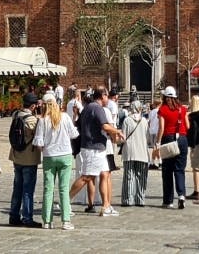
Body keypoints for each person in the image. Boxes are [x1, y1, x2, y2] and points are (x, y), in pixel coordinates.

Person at [74, 87, 124, 215]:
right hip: (93, 148)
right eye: (107, 96)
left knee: (105, 174)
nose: (108, 99)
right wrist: (117, 131)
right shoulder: (97, 108)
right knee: (86, 177)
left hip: (97, 148)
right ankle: (65, 201)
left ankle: (106, 206)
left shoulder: (88, 107)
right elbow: (105, 125)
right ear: (102, 96)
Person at [35, 93, 78, 230]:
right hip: (65, 155)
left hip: (50, 156)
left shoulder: (42, 120)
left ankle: (47, 220)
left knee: (48, 189)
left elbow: (39, 142)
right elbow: (74, 134)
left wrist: (45, 148)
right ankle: (65, 220)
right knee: (64, 189)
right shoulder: (64, 117)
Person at [8, 94, 43, 227]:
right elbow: (39, 135)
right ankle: (27, 218)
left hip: (16, 155)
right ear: (33, 106)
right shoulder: (32, 120)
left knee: (17, 187)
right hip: (29, 158)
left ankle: (14, 215)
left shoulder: (16, 114)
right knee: (28, 189)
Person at [154, 86, 189, 209]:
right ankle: (181, 195)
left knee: (167, 171)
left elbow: (161, 128)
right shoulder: (182, 109)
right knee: (180, 169)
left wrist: (157, 143)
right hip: (182, 139)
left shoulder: (162, 109)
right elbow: (188, 125)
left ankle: (168, 200)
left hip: (168, 138)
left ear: (166, 97)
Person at [121, 100, 152, 206]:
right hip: (142, 151)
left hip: (129, 151)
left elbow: (123, 137)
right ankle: (140, 199)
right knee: (141, 176)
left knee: (128, 176)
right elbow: (148, 137)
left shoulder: (127, 120)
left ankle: (127, 199)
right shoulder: (144, 121)